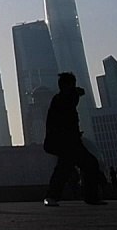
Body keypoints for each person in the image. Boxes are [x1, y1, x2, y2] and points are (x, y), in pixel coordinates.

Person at [42, 72, 105, 207]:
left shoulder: (61, 99)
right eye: (72, 84)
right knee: (82, 165)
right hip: (67, 143)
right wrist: (76, 92)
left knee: (68, 167)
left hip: (71, 142)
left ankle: (53, 196)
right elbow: (73, 97)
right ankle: (54, 196)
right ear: (67, 85)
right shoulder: (62, 99)